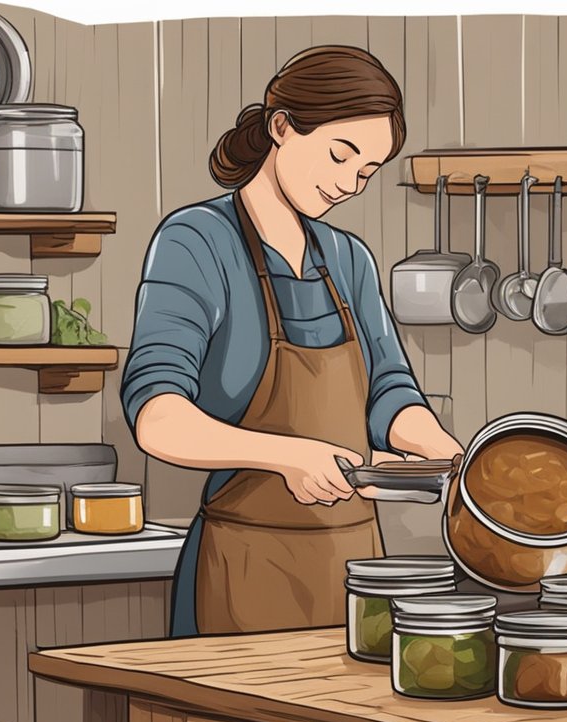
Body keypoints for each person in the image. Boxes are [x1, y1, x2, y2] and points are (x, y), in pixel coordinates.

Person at [121, 46, 463, 637]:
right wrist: (288, 455)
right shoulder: (197, 242)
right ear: (281, 127)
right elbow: (158, 418)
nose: (349, 183)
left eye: (367, 171)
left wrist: (448, 456)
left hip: (356, 574)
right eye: (340, 155)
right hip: (243, 572)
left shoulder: (348, 259)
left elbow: (388, 392)